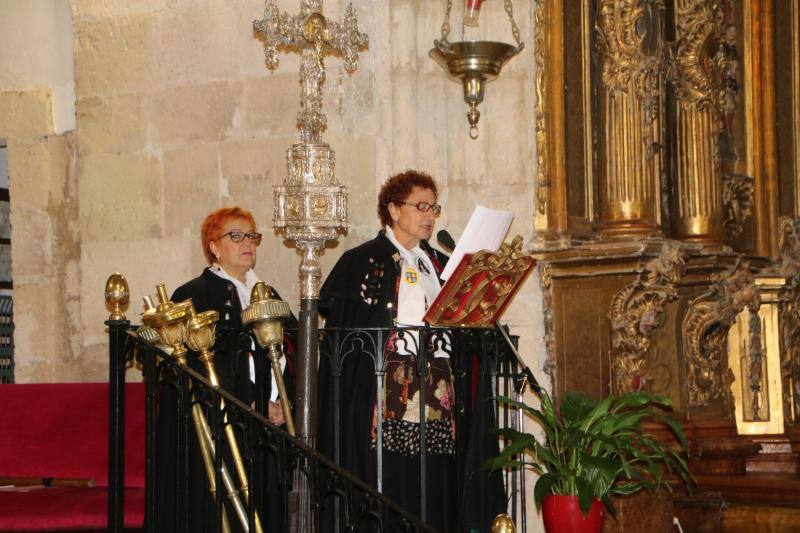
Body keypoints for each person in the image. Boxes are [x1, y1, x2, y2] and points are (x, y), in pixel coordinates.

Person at [317, 171, 505, 532]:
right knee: (395, 483)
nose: (430, 215)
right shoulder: (363, 261)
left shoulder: (438, 262)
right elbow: (349, 335)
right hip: (390, 396)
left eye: (433, 207)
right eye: (420, 206)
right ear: (392, 208)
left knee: (434, 482)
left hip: (438, 394)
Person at [155, 206, 295, 533]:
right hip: (225, 419)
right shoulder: (193, 295)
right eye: (236, 235)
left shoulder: (267, 294)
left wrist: (284, 404)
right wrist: (252, 402)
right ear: (214, 246)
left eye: (252, 236)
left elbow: (291, 348)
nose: (248, 242)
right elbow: (201, 365)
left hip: (269, 421)